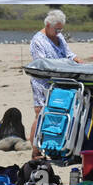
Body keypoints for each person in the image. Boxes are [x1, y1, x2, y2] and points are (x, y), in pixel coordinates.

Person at [29, 9, 79, 156]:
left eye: (60, 29)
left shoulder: (59, 36)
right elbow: (43, 63)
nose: (58, 32)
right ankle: (35, 150)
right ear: (48, 25)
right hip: (42, 81)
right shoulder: (38, 40)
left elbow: (68, 53)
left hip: (60, 79)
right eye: (56, 29)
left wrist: (77, 60)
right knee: (40, 114)